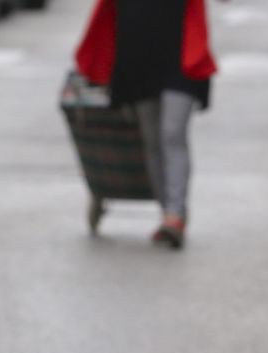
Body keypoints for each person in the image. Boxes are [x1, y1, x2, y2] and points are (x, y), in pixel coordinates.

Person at [75, 0, 220, 249]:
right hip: (138, 53)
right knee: (152, 139)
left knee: (172, 133)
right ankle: (167, 212)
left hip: (181, 54)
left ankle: (175, 216)